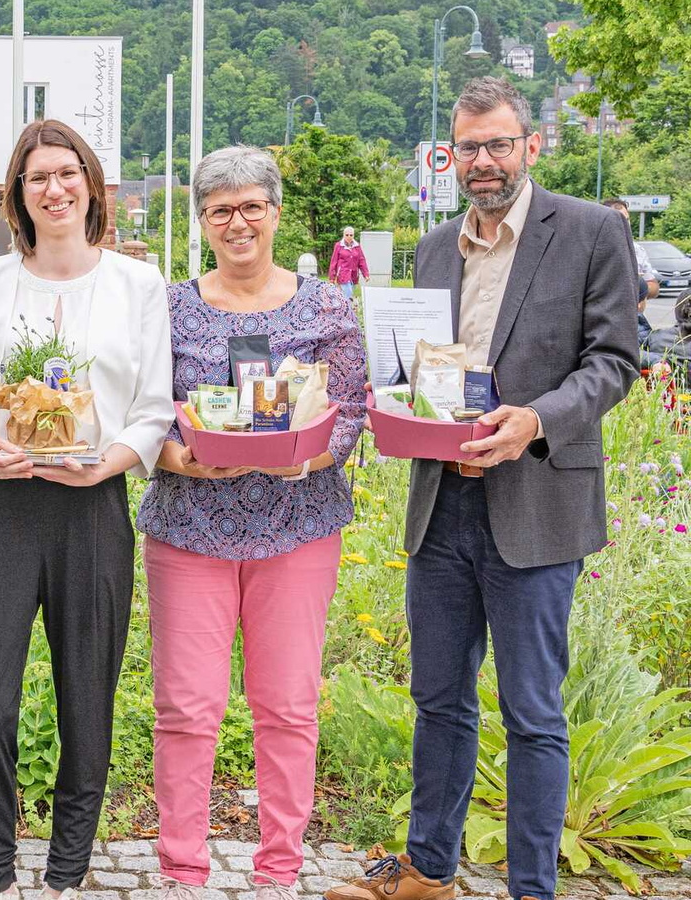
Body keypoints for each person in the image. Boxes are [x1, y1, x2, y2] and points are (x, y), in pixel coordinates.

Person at [326, 76, 639, 900]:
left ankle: (532, 889)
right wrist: (392, 407)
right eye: (469, 147)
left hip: (535, 502)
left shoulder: (589, 232)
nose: (485, 160)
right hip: (443, 502)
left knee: (532, 713)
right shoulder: (434, 248)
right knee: (439, 699)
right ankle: (430, 869)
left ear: (531, 145)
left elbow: (613, 362)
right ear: (451, 154)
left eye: (500, 143)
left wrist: (533, 421)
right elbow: (418, 371)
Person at [0, 119, 173, 900]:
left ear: (92, 184)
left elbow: (152, 409)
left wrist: (110, 461)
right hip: (3, 508)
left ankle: (68, 872)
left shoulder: (137, 285)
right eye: (38, 176)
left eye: (68, 172)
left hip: (92, 507)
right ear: (18, 192)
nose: (55, 188)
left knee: (87, 701)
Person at [139, 146, 366, 900]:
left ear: (274, 212)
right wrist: (175, 457)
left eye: (251, 207)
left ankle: (279, 872)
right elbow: (141, 409)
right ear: (202, 221)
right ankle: (183, 872)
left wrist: (308, 458)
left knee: (289, 706)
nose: (237, 222)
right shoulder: (167, 306)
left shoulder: (327, 304)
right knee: (187, 709)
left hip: (298, 527)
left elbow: (355, 407)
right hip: (190, 529)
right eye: (219, 210)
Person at [602, 197, 661, 366]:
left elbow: (654, 287)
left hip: (635, 320)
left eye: (627, 220)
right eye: (619, 219)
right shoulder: (593, 247)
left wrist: (635, 284)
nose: (625, 224)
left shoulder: (637, 250)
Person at [327, 226, 369, 299]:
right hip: (343, 274)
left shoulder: (357, 246)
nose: (349, 236)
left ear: (353, 235)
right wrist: (332, 277)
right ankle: (348, 308)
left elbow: (361, 261)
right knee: (348, 295)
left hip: (353, 275)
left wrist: (365, 274)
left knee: (345, 295)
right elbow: (333, 262)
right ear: (343, 235)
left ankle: (342, 308)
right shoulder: (338, 245)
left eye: (351, 235)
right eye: (347, 235)